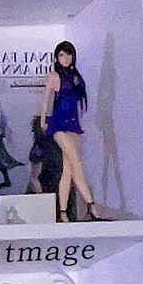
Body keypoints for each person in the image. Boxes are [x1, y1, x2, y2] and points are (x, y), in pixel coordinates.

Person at [38, 38, 101, 220]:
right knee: (76, 163)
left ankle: (63, 212)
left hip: (73, 125)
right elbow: (46, 99)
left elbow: (78, 101)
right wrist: (43, 121)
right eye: (61, 55)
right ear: (56, 58)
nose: (65, 58)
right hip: (58, 124)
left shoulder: (75, 77)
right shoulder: (54, 76)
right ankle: (91, 205)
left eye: (68, 55)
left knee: (68, 170)